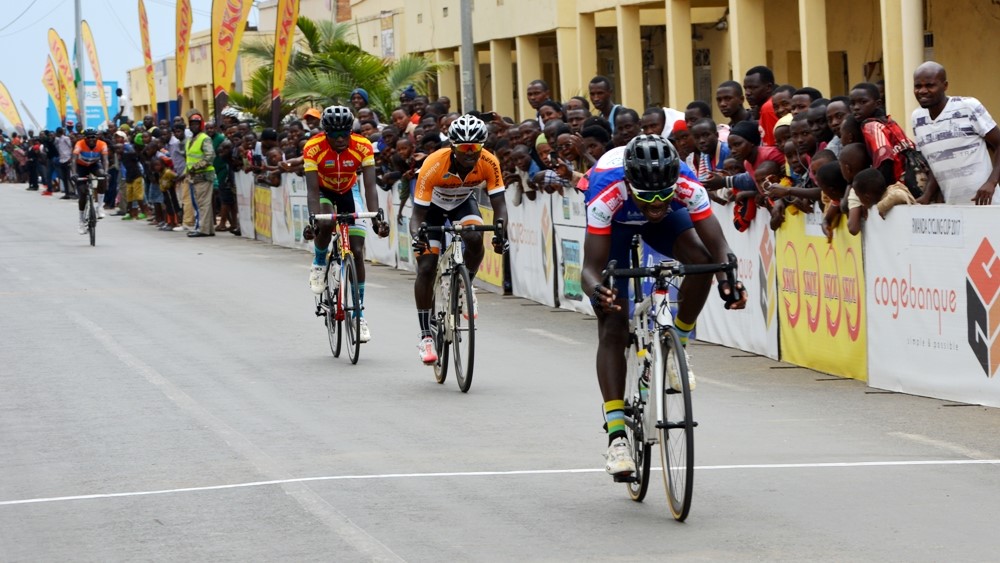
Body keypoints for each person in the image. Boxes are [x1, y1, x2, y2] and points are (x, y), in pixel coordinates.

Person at [580, 135, 747, 477]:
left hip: (669, 223)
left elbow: (719, 247)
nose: (656, 204)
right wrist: (598, 291)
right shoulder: (605, 192)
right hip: (616, 226)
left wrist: (730, 279)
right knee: (612, 322)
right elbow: (590, 270)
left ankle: (678, 345)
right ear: (630, 184)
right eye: (647, 197)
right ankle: (616, 439)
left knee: (701, 260)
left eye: (663, 195)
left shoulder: (686, 183)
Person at [409, 114, 508, 364]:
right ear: (453, 146)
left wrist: (500, 232)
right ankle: (425, 337)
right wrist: (416, 236)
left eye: (475, 147)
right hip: (431, 208)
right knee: (427, 266)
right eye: (464, 147)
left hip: (463, 203)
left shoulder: (489, 162)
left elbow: (500, 206)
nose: (470, 153)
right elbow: (417, 215)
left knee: (475, 237)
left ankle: (465, 285)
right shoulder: (434, 164)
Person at [303, 105, 390, 343]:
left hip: (349, 190)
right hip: (323, 190)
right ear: (326, 133)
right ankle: (320, 261)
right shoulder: (313, 147)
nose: (341, 139)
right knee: (326, 220)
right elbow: (311, 191)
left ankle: (359, 314)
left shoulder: (362, 145)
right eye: (335, 135)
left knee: (358, 251)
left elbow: (370, 186)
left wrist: (376, 217)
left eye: (345, 134)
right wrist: (314, 219)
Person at [911, 61, 1000, 205]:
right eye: (917, 86)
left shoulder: (968, 107)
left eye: (930, 85)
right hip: (953, 210)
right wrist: (927, 194)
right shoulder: (917, 118)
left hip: (986, 205)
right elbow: (936, 160)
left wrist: (991, 183)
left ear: (945, 86)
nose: (922, 91)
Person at [178, 111, 216, 238]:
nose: (194, 126)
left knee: (203, 203)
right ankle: (208, 229)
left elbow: (210, 157)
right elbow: (189, 159)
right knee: (202, 203)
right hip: (193, 176)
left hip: (203, 175)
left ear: (201, 125)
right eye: (192, 124)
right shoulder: (190, 140)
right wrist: (186, 173)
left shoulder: (205, 139)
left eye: (196, 124)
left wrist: (195, 167)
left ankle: (202, 229)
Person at [71, 129, 109, 233]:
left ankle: (100, 207)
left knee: (102, 176)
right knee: (82, 193)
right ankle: (81, 221)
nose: (91, 139)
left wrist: (106, 172)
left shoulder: (102, 144)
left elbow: (105, 160)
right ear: (85, 138)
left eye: (94, 137)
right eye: (88, 137)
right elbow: (73, 159)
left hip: (94, 165)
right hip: (81, 167)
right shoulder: (79, 144)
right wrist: (74, 173)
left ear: (97, 137)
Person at [743, 66, 778, 146]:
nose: (747, 93)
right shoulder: (763, 108)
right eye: (745, 88)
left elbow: (771, 146)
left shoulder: (768, 108)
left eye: (753, 88)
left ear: (768, 87)